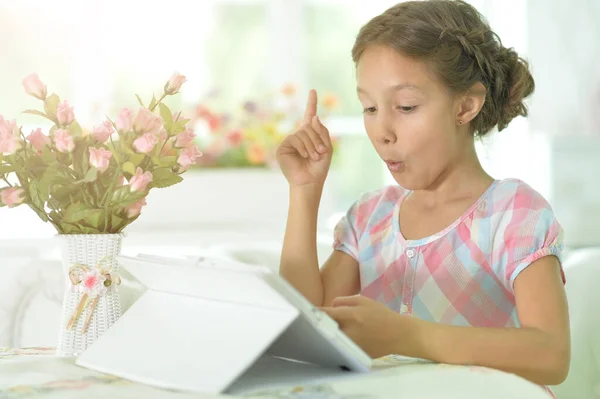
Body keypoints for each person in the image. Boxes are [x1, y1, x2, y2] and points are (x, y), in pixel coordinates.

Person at [275, 0, 570, 395]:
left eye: (406, 107)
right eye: (369, 107)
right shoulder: (369, 217)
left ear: (465, 105)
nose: (382, 131)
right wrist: (304, 192)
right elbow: (307, 329)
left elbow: (551, 354)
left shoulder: (514, 214)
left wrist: (408, 336)